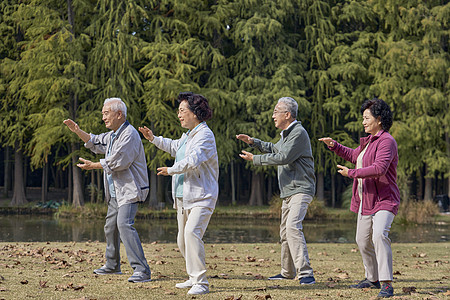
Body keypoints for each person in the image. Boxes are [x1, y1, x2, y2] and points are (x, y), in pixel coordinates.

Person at [63, 98, 151, 283]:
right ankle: (112, 266)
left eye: (106, 113)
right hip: (115, 192)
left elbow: (119, 161)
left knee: (124, 224)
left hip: (130, 190)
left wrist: (93, 165)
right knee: (110, 227)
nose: (103, 117)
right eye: (103, 113)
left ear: (119, 114)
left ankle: (142, 270)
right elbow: (95, 142)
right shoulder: (113, 135)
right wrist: (78, 131)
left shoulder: (129, 135)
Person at [138, 92, 218, 295]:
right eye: (179, 111)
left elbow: (193, 160)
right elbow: (174, 147)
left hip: (203, 195)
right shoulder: (188, 135)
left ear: (195, 113)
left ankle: (201, 282)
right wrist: (153, 139)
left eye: (182, 111)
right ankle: (192, 277)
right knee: (182, 240)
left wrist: (170, 170)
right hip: (183, 196)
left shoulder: (205, 136)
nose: (179, 115)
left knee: (192, 234)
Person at [319, 98, 400, 298]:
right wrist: (334, 146)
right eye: (362, 118)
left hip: (384, 199)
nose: (363, 122)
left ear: (379, 120)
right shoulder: (369, 142)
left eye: (366, 118)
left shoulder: (387, 141)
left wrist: (352, 174)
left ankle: (387, 284)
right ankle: (372, 278)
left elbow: (379, 168)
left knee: (379, 235)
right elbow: (355, 156)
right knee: (362, 241)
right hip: (366, 200)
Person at [236, 97, 316, 285]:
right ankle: (288, 272)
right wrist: (253, 141)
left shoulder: (298, 133)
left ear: (287, 115)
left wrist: (256, 159)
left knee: (292, 227)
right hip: (289, 191)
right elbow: (275, 148)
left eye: (276, 111)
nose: (273, 116)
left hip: (301, 189)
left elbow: (283, 157)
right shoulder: (287, 134)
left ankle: (306, 274)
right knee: (284, 233)